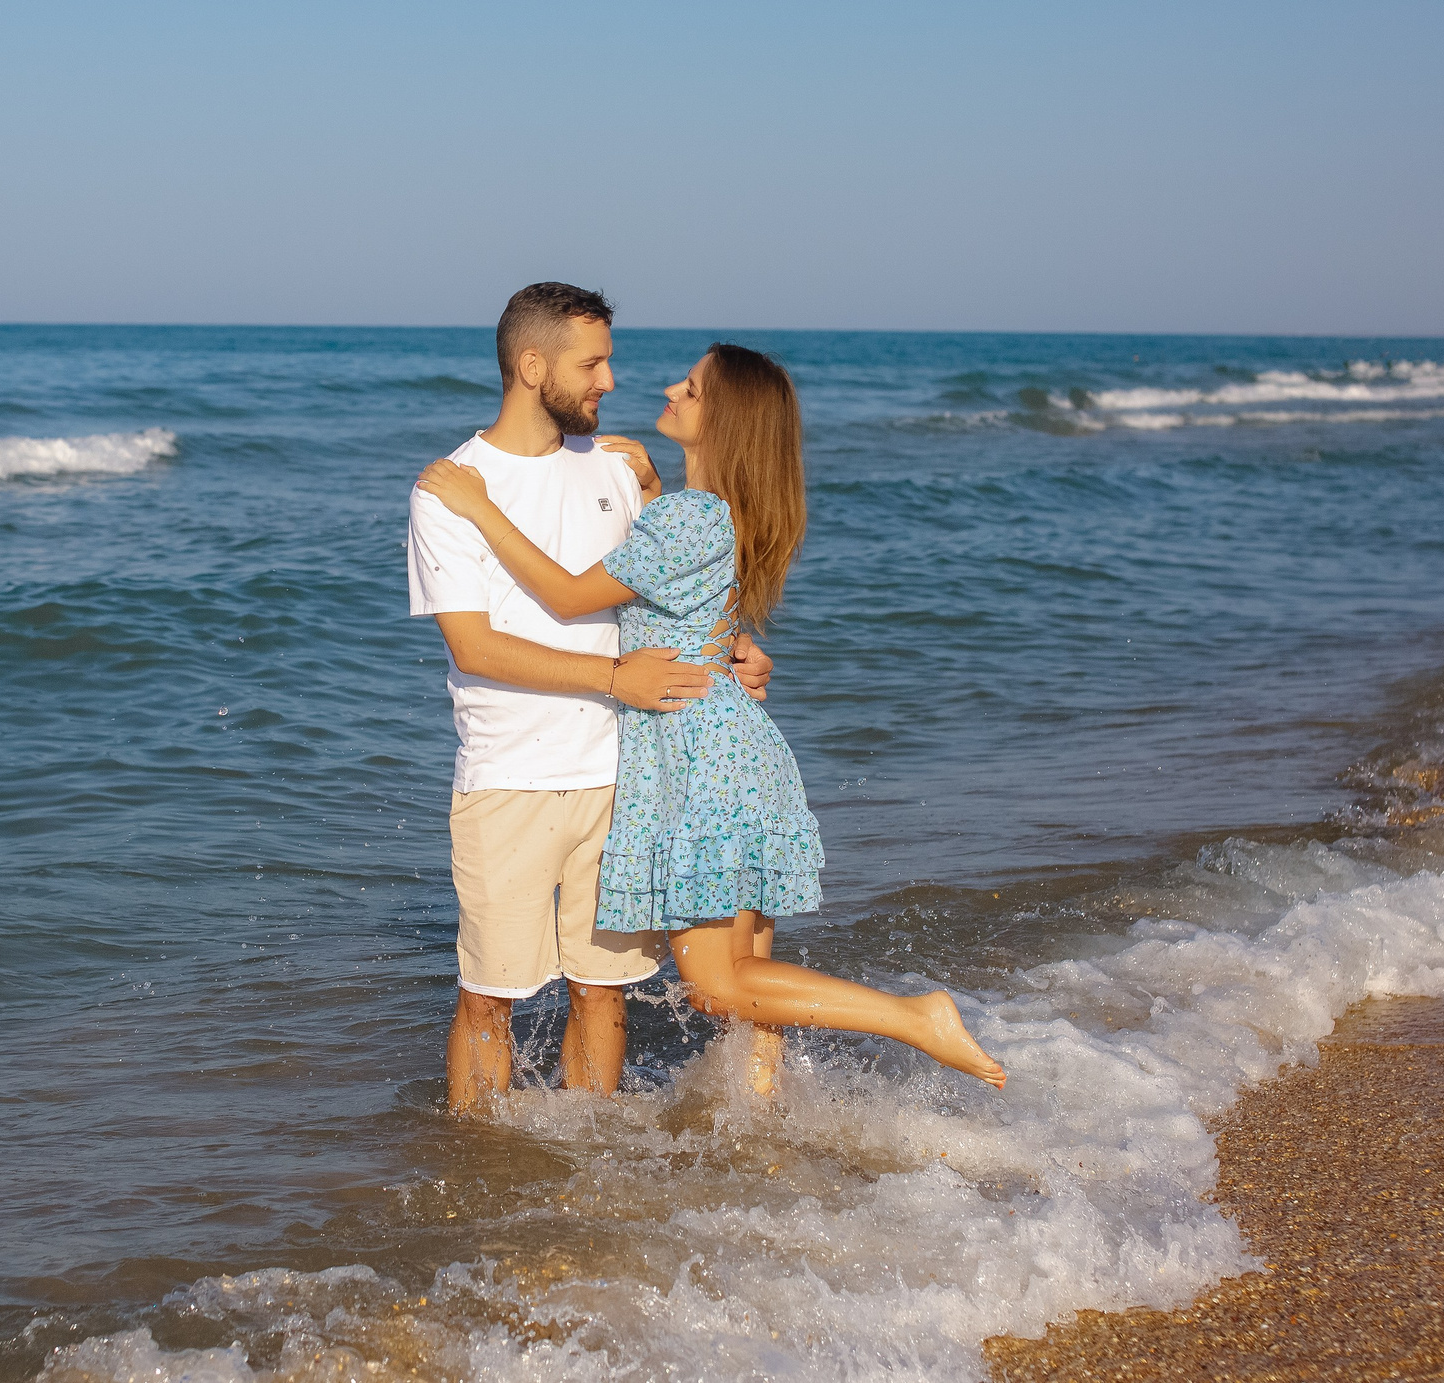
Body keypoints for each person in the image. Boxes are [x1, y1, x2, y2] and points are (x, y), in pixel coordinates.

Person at [419, 342, 1006, 1094]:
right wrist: (658, 487)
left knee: (716, 985)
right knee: (751, 983)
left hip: (700, 759)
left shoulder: (689, 517)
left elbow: (567, 597)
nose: (667, 388)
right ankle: (760, 1133)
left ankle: (913, 1017)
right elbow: (687, 598)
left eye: (690, 389)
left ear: (721, 422)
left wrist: (478, 506)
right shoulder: (712, 513)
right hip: (737, 750)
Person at [407, 283, 774, 1114]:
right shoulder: (449, 489)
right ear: (533, 366)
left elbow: (680, 587)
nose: (610, 378)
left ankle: (587, 1166)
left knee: (602, 993)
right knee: (486, 997)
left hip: (624, 778)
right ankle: (477, 1174)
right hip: (508, 780)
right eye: (592, 361)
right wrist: (613, 677)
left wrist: (735, 646)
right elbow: (476, 646)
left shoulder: (618, 466)